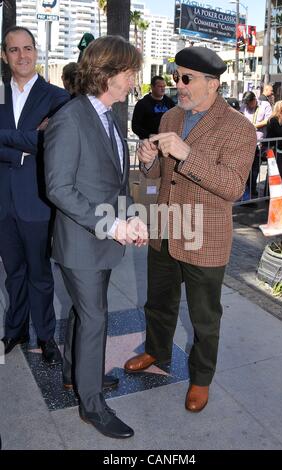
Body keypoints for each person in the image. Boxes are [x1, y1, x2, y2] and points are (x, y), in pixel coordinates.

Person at [124, 46, 257, 413]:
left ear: (212, 84)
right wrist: (147, 161)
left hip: (206, 237)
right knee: (158, 302)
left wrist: (187, 153)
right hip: (166, 227)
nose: (177, 85)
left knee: (204, 317)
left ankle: (200, 378)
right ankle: (156, 350)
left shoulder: (238, 128)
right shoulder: (169, 118)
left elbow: (232, 186)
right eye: (177, 77)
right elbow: (157, 176)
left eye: (187, 78)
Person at [44, 35, 148, 439]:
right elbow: (59, 188)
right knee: (94, 318)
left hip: (102, 240)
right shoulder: (71, 118)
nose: (134, 79)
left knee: (86, 314)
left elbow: (112, 184)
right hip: (82, 244)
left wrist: (129, 220)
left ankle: (78, 374)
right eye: (130, 72)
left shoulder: (107, 115)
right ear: (108, 74)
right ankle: (91, 405)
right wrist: (112, 225)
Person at [0, 26, 69, 363]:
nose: (22, 56)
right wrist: (23, 145)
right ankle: (14, 330)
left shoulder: (56, 97)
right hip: (3, 202)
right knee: (13, 272)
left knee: (40, 274)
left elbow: (50, 141)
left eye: (28, 48)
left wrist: (7, 140)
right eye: (14, 50)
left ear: (36, 52)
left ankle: (46, 336)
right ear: (4, 55)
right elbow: (33, 141)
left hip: (37, 201)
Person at [240, 91, 272, 197]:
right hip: (245, 143)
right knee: (245, 169)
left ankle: (251, 192)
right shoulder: (244, 106)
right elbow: (239, 117)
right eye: (246, 103)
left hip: (259, 144)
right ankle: (246, 192)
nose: (248, 105)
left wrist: (254, 125)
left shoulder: (265, 105)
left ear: (254, 99)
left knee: (254, 170)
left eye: (249, 102)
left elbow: (269, 120)